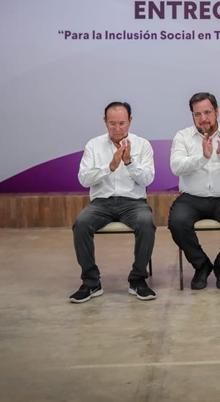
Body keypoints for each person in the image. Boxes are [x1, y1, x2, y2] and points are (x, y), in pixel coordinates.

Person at [69, 101, 157, 303]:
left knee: (146, 223)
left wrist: (129, 162)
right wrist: (110, 166)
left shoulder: (142, 145)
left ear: (130, 121)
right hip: (101, 203)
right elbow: (84, 179)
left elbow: (147, 179)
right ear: (105, 121)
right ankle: (91, 282)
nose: (117, 128)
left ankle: (137, 279)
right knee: (81, 224)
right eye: (112, 124)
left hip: (134, 202)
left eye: (122, 123)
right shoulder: (93, 145)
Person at [168, 92, 220, 290]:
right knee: (177, 222)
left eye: (207, 112)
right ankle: (201, 265)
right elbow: (176, 167)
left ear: (217, 112)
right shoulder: (182, 136)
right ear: (192, 116)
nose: (203, 118)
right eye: (197, 114)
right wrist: (202, 158)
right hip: (191, 198)